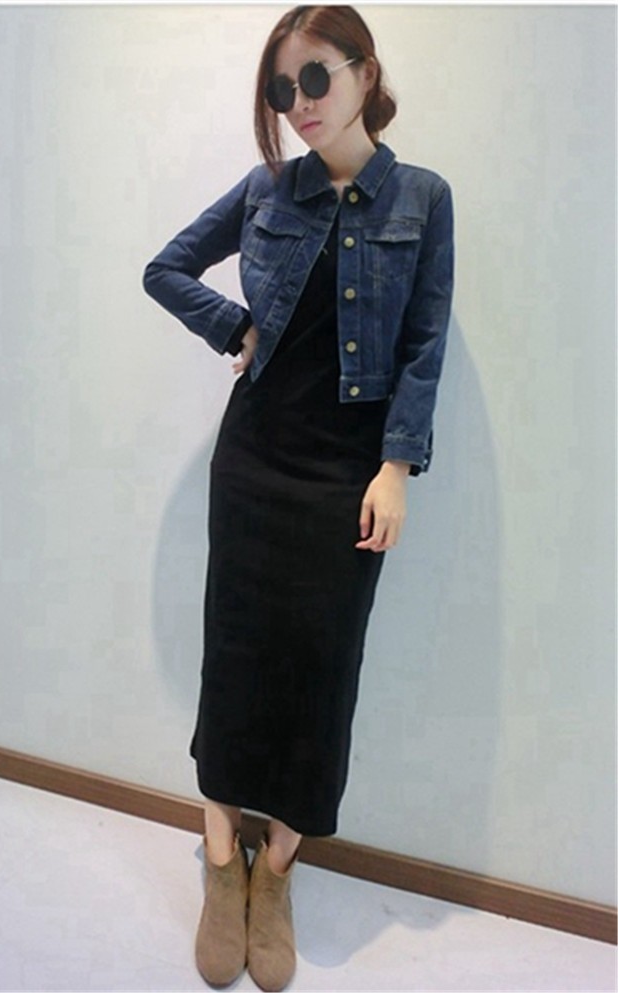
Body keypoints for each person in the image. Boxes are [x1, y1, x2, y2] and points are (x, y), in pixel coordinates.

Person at [143, 5, 454, 990]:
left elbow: (424, 344)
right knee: (235, 651)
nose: (298, 103)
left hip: (347, 474)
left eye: (315, 77)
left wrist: (397, 467)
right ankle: (220, 857)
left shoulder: (424, 198)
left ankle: (276, 870)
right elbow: (164, 270)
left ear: (365, 72)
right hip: (256, 460)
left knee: (322, 668)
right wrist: (233, 327)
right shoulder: (267, 189)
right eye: (283, 88)